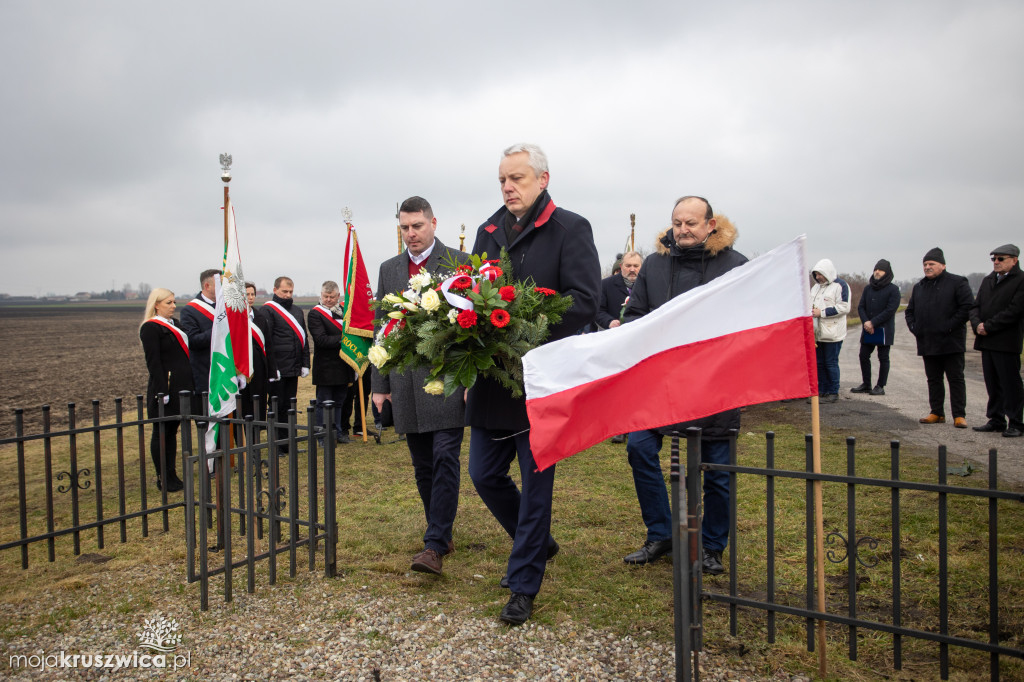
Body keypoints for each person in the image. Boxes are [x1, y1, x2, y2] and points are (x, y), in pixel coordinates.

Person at [467, 144, 600, 625]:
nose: (508, 187)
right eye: (503, 179)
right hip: (492, 378)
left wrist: (527, 327)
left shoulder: (571, 228)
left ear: (543, 180)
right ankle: (538, 543)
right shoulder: (487, 231)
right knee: (483, 474)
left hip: (543, 378)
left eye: (517, 178)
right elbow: (471, 293)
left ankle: (524, 582)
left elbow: (584, 300)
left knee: (537, 483)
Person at [621, 196, 748, 576]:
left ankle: (711, 546)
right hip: (662, 382)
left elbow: (747, 322)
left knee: (718, 472)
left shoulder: (735, 265)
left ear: (710, 224)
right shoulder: (656, 265)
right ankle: (662, 533)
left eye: (691, 222)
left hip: (716, 383)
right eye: (677, 222)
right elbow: (636, 314)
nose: (683, 229)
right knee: (639, 447)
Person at [371, 196, 472, 576]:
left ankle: (433, 545)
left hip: (446, 378)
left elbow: (472, 325)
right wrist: (379, 383)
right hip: (406, 381)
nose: (411, 234)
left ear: (433, 223)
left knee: (446, 456)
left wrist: (469, 379)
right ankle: (441, 531)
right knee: (422, 464)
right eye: (405, 227)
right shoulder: (390, 269)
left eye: (417, 226)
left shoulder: (459, 264)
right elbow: (383, 327)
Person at [905, 247, 974, 428]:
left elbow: (967, 308)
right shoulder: (919, 287)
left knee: (955, 378)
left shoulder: (957, 283)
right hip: (928, 342)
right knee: (933, 379)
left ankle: (959, 415)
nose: (927, 267)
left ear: (942, 265)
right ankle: (936, 412)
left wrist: (948, 326)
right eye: (925, 264)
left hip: (951, 341)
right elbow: (909, 311)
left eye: (931, 264)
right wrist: (915, 328)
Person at [139, 288, 194, 492]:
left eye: (174, 302)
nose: (173, 306)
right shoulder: (151, 328)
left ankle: (172, 474)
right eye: (168, 303)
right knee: (161, 432)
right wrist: (162, 391)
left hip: (182, 386)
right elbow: (154, 363)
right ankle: (163, 476)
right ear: (156, 304)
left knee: (172, 432)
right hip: (166, 388)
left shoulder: (175, 324)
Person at [970, 244, 1024, 437]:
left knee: (1010, 384)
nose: (996, 262)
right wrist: (977, 324)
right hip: (987, 341)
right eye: (994, 259)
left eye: (1001, 259)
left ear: (1014, 260)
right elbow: (975, 307)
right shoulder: (988, 280)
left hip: (1006, 341)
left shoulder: (1020, 280)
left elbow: (1014, 311)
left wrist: (989, 326)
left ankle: (1016, 422)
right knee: (992, 383)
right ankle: (996, 419)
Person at [262, 276, 311, 453]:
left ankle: (289, 443)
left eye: (290, 292)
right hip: (277, 369)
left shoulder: (297, 311)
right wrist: (271, 366)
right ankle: (277, 444)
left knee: (290, 406)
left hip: (293, 367)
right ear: (275, 290)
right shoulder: (267, 311)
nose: (287, 295)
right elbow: (267, 342)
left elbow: (303, 339)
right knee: (276, 406)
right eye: (284, 291)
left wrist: (305, 363)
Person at [308, 280, 355, 444]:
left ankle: (338, 432)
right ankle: (323, 435)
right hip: (325, 367)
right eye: (325, 296)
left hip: (343, 364)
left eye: (332, 297)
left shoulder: (343, 311)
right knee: (324, 403)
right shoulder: (315, 314)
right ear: (321, 295)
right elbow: (321, 340)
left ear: (338, 296)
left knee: (339, 401)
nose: (328, 300)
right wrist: (345, 339)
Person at [851, 260, 901, 396]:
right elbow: (861, 307)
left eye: (880, 270)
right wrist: (866, 322)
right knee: (863, 355)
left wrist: (873, 323)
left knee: (883, 357)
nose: (877, 272)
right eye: (875, 269)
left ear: (887, 273)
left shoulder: (893, 290)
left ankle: (880, 385)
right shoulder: (868, 288)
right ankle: (866, 384)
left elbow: (890, 310)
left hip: (883, 329)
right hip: (868, 328)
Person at [809, 259, 851, 403]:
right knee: (819, 362)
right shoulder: (815, 288)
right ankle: (822, 390)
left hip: (833, 332)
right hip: (817, 333)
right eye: (816, 274)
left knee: (830, 362)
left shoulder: (840, 286)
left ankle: (833, 391)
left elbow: (844, 307)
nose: (819, 277)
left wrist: (822, 312)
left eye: (821, 274)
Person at [179, 269, 219, 414]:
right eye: (220, 284)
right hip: (205, 375)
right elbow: (193, 341)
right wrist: (218, 330)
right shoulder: (190, 311)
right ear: (207, 286)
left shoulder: (226, 307)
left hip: (226, 373)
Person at [238, 282, 274, 424]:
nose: (250, 297)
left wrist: (272, 370)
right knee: (243, 406)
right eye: (247, 294)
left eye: (253, 294)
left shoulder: (259, 317)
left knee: (257, 405)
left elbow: (268, 345)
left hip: (258, 367)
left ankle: (256, 437)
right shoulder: (234, 318)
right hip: (240, 368)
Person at [597, 251, 642, 330]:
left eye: (636, 266)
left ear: (641, 266)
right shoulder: (605, 285)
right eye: (628, 266)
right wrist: (609, 322)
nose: (632, 269)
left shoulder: (648, 285)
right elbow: (598, 311)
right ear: (621, 266)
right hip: (615, 335)